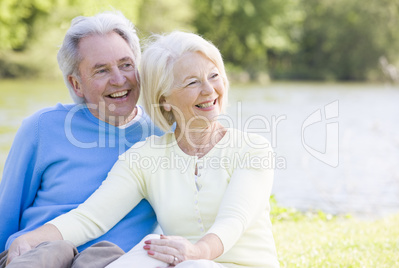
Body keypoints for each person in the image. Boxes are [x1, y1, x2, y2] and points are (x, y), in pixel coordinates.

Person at [7, 31, 279, 267]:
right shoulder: (144, 157)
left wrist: (196, 253)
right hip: (184, 263)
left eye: (214, 76)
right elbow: (90, 217)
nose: (209, 90)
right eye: (192, 82)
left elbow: (233, 220)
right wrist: (32, 237)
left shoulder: (253, 149)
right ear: (165, 99)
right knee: (150, 249)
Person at [0, 11, 163, 267]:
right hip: (36, 256)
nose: (119, 79)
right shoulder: (43, 128)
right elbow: (6, 213)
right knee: (56, 251)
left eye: (126, 65)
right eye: (101, 70)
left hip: (111, 262)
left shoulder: (164, 135)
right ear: (76, 84)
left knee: (102, 256)